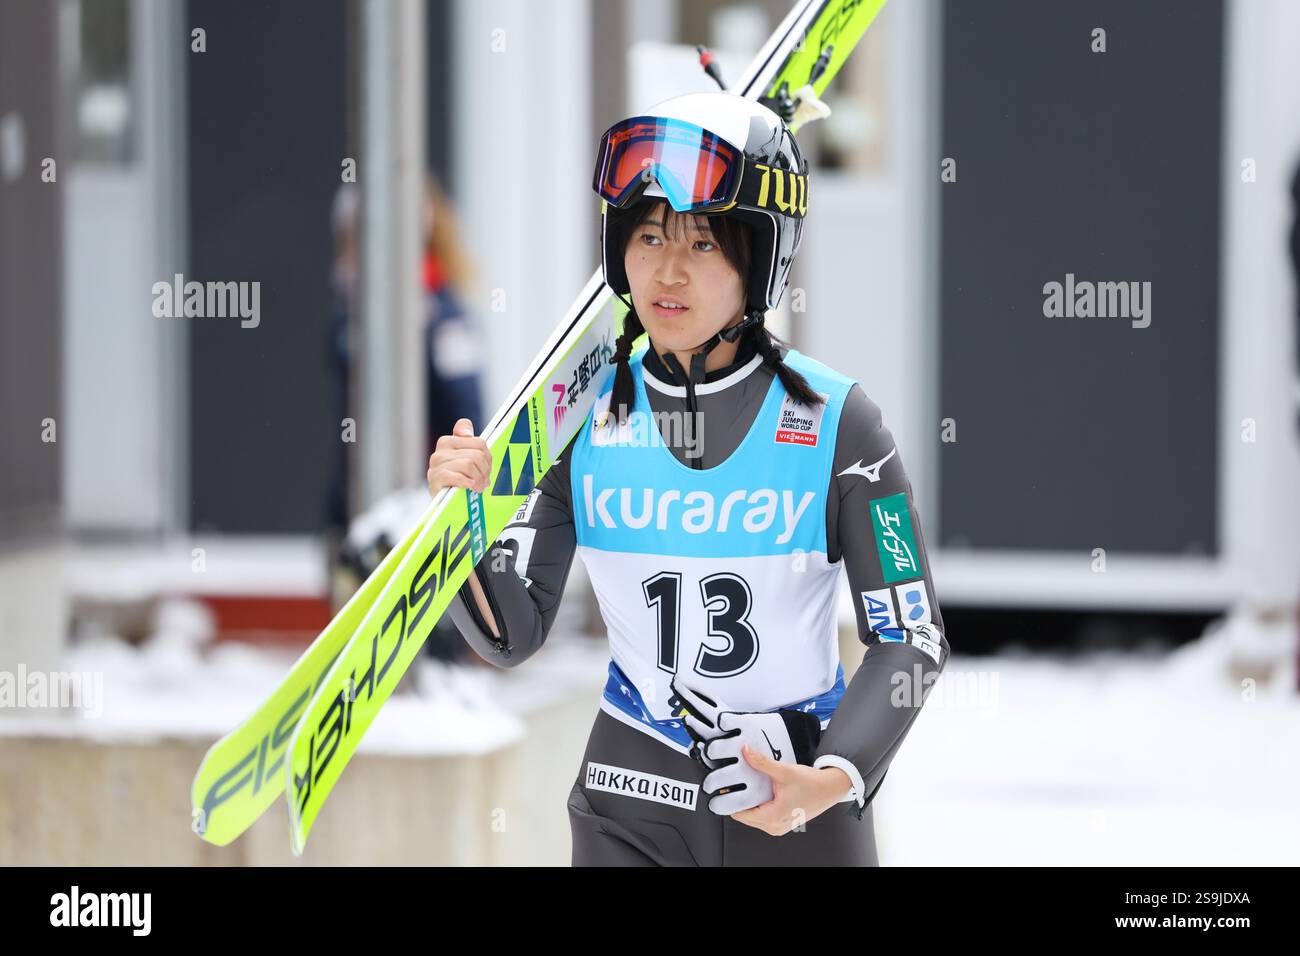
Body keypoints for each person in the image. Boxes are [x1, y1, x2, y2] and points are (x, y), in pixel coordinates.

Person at [427, 92, 949, 865]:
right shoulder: (579, 418)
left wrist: (834, 771)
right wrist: (460, 522)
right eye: (645, 236)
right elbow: (512, 633)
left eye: (703, 244)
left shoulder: (840, 421)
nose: (666, 271)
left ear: (760, 258)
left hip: (792, 806)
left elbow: (911, 635)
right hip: (628, 801)